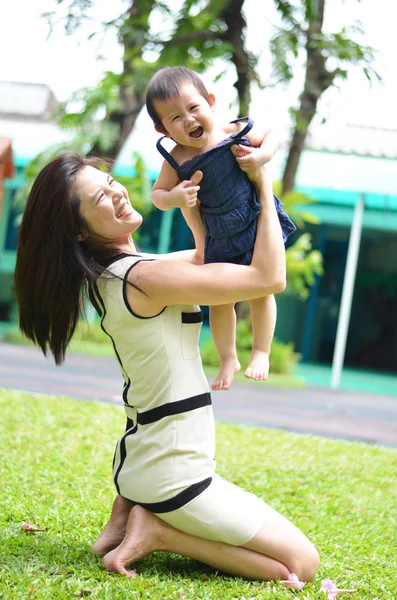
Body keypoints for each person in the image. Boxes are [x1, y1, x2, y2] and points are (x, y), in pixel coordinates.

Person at [14, 152, 319, 581]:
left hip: (148, 462)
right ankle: (158, 531)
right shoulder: (144, 279)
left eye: (110, 180)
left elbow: (204, 258)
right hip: (174, 475)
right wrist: (263, 183)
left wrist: (194, 198)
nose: (117, 192)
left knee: (288, 560)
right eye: (100, 196)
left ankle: (137, 514)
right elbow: (269, 278)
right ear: (79, 230)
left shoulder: (120, 274)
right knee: (303, 565)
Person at [145, 66, 296, 391]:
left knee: (262, 291)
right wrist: (175, 196)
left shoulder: (233, 132)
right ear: (164, 129)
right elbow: (157, 196)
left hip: (255, 222)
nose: (188, 120)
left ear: (210, 101)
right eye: (175, 118)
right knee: (219, 300)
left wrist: (261, 157)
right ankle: (228, 358)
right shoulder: (177, 157)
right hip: (218, 234)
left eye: (193, 108)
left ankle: (260, 351)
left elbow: (271, 136)